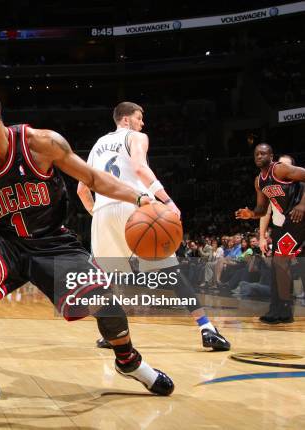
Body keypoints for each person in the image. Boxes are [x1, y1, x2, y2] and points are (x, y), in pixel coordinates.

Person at [0, 87, 174, 421]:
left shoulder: (40, 143)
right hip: (4, 243)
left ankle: (128, 360)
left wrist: (139, 198)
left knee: (105, 301)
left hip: (52, 242)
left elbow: (92, 178)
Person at [77, 102, 230, 351]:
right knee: (172, 273)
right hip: (135, 204)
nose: (142, 123)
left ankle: (112, 334)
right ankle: (206, 329)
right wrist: (167, 201)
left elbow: (82, 189)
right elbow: (139, 167)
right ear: (126, 120)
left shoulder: (96, 146)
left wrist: (98, 212)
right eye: (139, 118)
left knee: (108, 280)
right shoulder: (136, 137)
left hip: (103, 212)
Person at [236, 144, 305, 324]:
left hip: (299, 217)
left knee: (281, 262)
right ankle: (279, 310)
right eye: (256, 153)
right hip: (287, 221)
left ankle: (283, 310)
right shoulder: (259, 181)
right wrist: (250, 213)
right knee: (278, 265)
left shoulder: (280, 169)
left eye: (263, 153)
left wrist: (302, 205)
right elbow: (262, 209)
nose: (259, 156)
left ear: (271, 155)